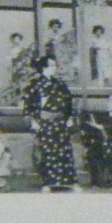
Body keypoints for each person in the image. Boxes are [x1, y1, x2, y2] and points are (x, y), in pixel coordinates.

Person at [24, 52, 80, 191]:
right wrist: (33, 121)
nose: (55, 68)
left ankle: (69, 182)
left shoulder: (60, 83)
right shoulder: (34, 84)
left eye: (55, 65)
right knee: (47, 153)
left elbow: (68, 101)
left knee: (64, 151)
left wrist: (69, 118)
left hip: (60, 122)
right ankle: (48, 183)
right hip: (44, 122)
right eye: (52, 66)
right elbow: (29, 105)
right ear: (44, 67)